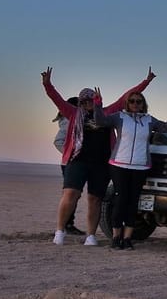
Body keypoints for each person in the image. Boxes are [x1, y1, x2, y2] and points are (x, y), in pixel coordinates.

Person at [41, 66, 156, 246]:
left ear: (96, 100)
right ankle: (60, 231)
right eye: (84, 100)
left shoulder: (108, 112)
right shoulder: (73, 113)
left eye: (91, 99)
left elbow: (127, 96)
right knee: (70, 193)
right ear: (79, 102)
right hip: (78, 161)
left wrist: (146, 81)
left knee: (95, 198)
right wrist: (47, 85)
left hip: (102, 163)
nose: (88, 103)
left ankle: (90, 235)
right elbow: (57, 99)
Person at [95, 89, 167, 250]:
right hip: (119, 164)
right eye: (132, 101)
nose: (135, 104)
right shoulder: (119, 117)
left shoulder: (148, 120)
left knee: (133, 202)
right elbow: (100, 121)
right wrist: (98, 105)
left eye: (138, 101)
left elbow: (166, 128)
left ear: (143, 104)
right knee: (120, 200)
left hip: (140, 166)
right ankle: (115, 237)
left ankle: (127, 238)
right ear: (127, 103)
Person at [52, 97, 83, 235]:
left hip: (73, 162)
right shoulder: (68, 121)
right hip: (70, 163)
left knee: (74, 194)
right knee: (71, 195)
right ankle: (66, 225)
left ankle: (67, 224)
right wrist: (71, 154)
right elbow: (58, 141)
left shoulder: (75, 120)